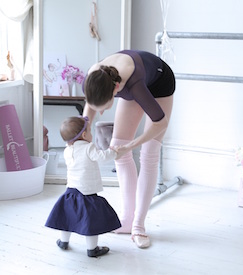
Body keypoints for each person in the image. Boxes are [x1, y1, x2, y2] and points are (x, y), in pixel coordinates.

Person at [82, 50, 175, 249]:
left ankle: (139, 225)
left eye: (106, 108)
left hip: (159, 82)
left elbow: (160, 122)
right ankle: (126, 219)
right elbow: (89, 111)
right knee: (117, 150)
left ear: (116, 90)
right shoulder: (94, 78)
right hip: (130, 80)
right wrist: (81, 137)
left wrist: (132, 145)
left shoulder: (134, 85)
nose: (101, 112)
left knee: (149, 153)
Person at [45, 116, 121, 257]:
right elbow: (102, 157)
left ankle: (63, 241)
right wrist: (114, 152)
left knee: (67, 219)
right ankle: (92, 249)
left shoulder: (67, 150)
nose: (91, 134)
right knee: (91, 222)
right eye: (90, 131)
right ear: (85, 135)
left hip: (71, 191)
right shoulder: (88, 147)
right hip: (87, 192)